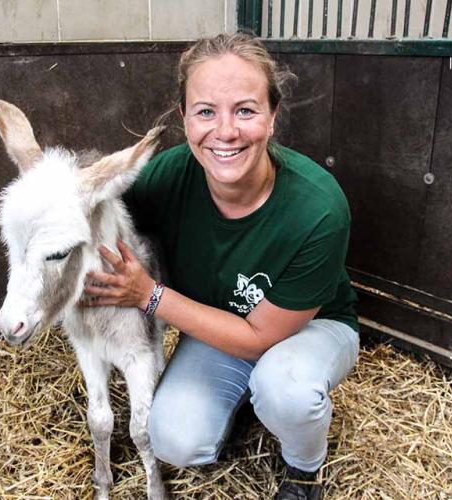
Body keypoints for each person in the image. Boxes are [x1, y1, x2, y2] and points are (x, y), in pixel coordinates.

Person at [83, 32, 359, 500]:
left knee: (284, 389)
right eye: (206, 111)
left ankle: (303, 472)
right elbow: (96, 212)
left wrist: (149, 295)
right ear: (184, 119)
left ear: (273, 117)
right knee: (175, 438)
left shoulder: (319, 208)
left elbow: (261, 337)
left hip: (308, 330)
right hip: (219, 327)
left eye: (246, 110)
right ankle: (244, 401)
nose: (225, 131)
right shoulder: (168, 176)